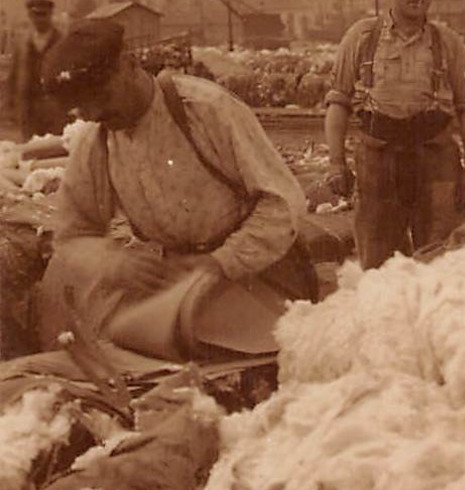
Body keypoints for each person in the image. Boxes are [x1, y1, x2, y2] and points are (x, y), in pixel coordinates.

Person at [37, 18, 316, 355]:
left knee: (261, 360)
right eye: (82, 107)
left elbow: (283, 205)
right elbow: (72, 235)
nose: (94, 112)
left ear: (129, 64)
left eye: (103, 95)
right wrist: (113, 263)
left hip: (256, 272)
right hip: (175, 282)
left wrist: (221, 262)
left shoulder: (207, 110)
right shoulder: (96, 140)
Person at [323, 0, 465, 269]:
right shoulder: (361, 38)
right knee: (378, 262)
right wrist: (336, 163)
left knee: (439, 261)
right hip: (378, 162)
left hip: (435, 162)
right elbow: (338, 102)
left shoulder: (448, 43)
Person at [9, 0, 70, 139]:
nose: (39, 19)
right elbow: (13, 75)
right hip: (29, 107)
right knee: (29, 152)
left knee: (56, 149)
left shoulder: (62, 41)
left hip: (55, 106)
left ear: (50, 15)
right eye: (35, 15)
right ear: (30, 16)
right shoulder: (22, 43)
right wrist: (10, 107)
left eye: (43, 14)